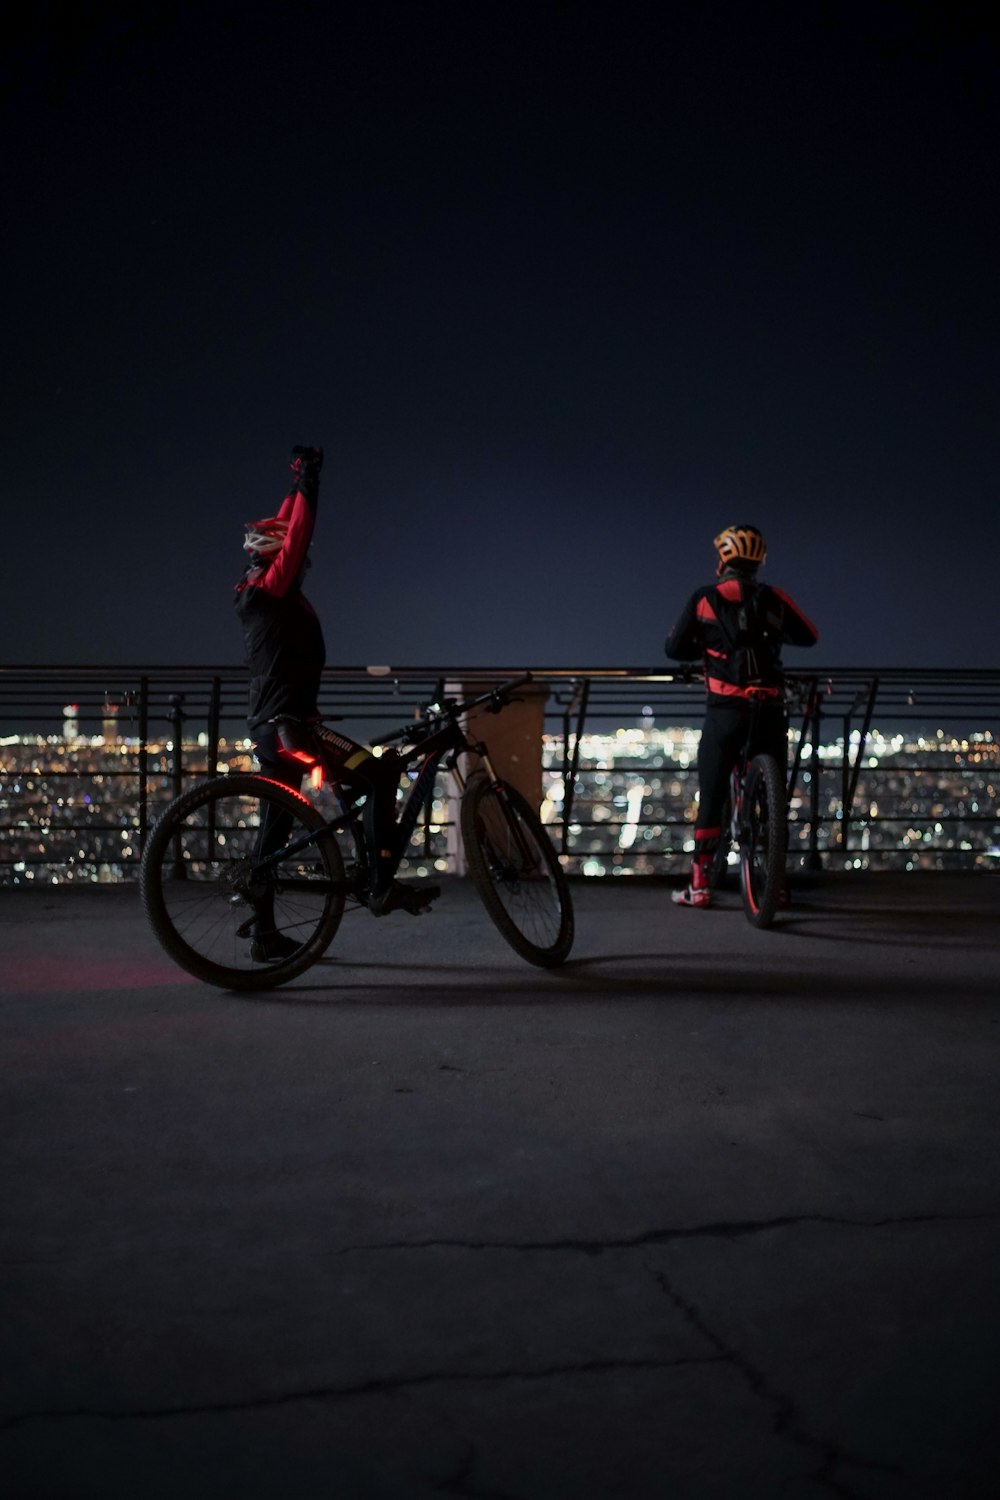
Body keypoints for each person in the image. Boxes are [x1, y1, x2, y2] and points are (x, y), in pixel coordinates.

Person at [234, 446, 431, 960]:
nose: (306, 566)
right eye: (298, 562)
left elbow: (284, 526)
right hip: (292, 728)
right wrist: (309, 480)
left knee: (276, 828)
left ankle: (263, 933)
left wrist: (295, 487)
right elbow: (295, 534)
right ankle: (377, 883)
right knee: (379, 775)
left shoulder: (257, 589)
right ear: (281, 562)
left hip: (270, 727)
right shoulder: (274, 590)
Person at [664, 523, 818, 908]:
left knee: (713, 793)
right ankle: (776, 883)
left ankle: (699, 886)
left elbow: (673, 648)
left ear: (723, 561)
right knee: (772, 795)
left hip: (725, 711)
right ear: (758, 562)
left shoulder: (705, 598)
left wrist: (708, 644)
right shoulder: (775, 598)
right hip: (768, 708)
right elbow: (809, 635)